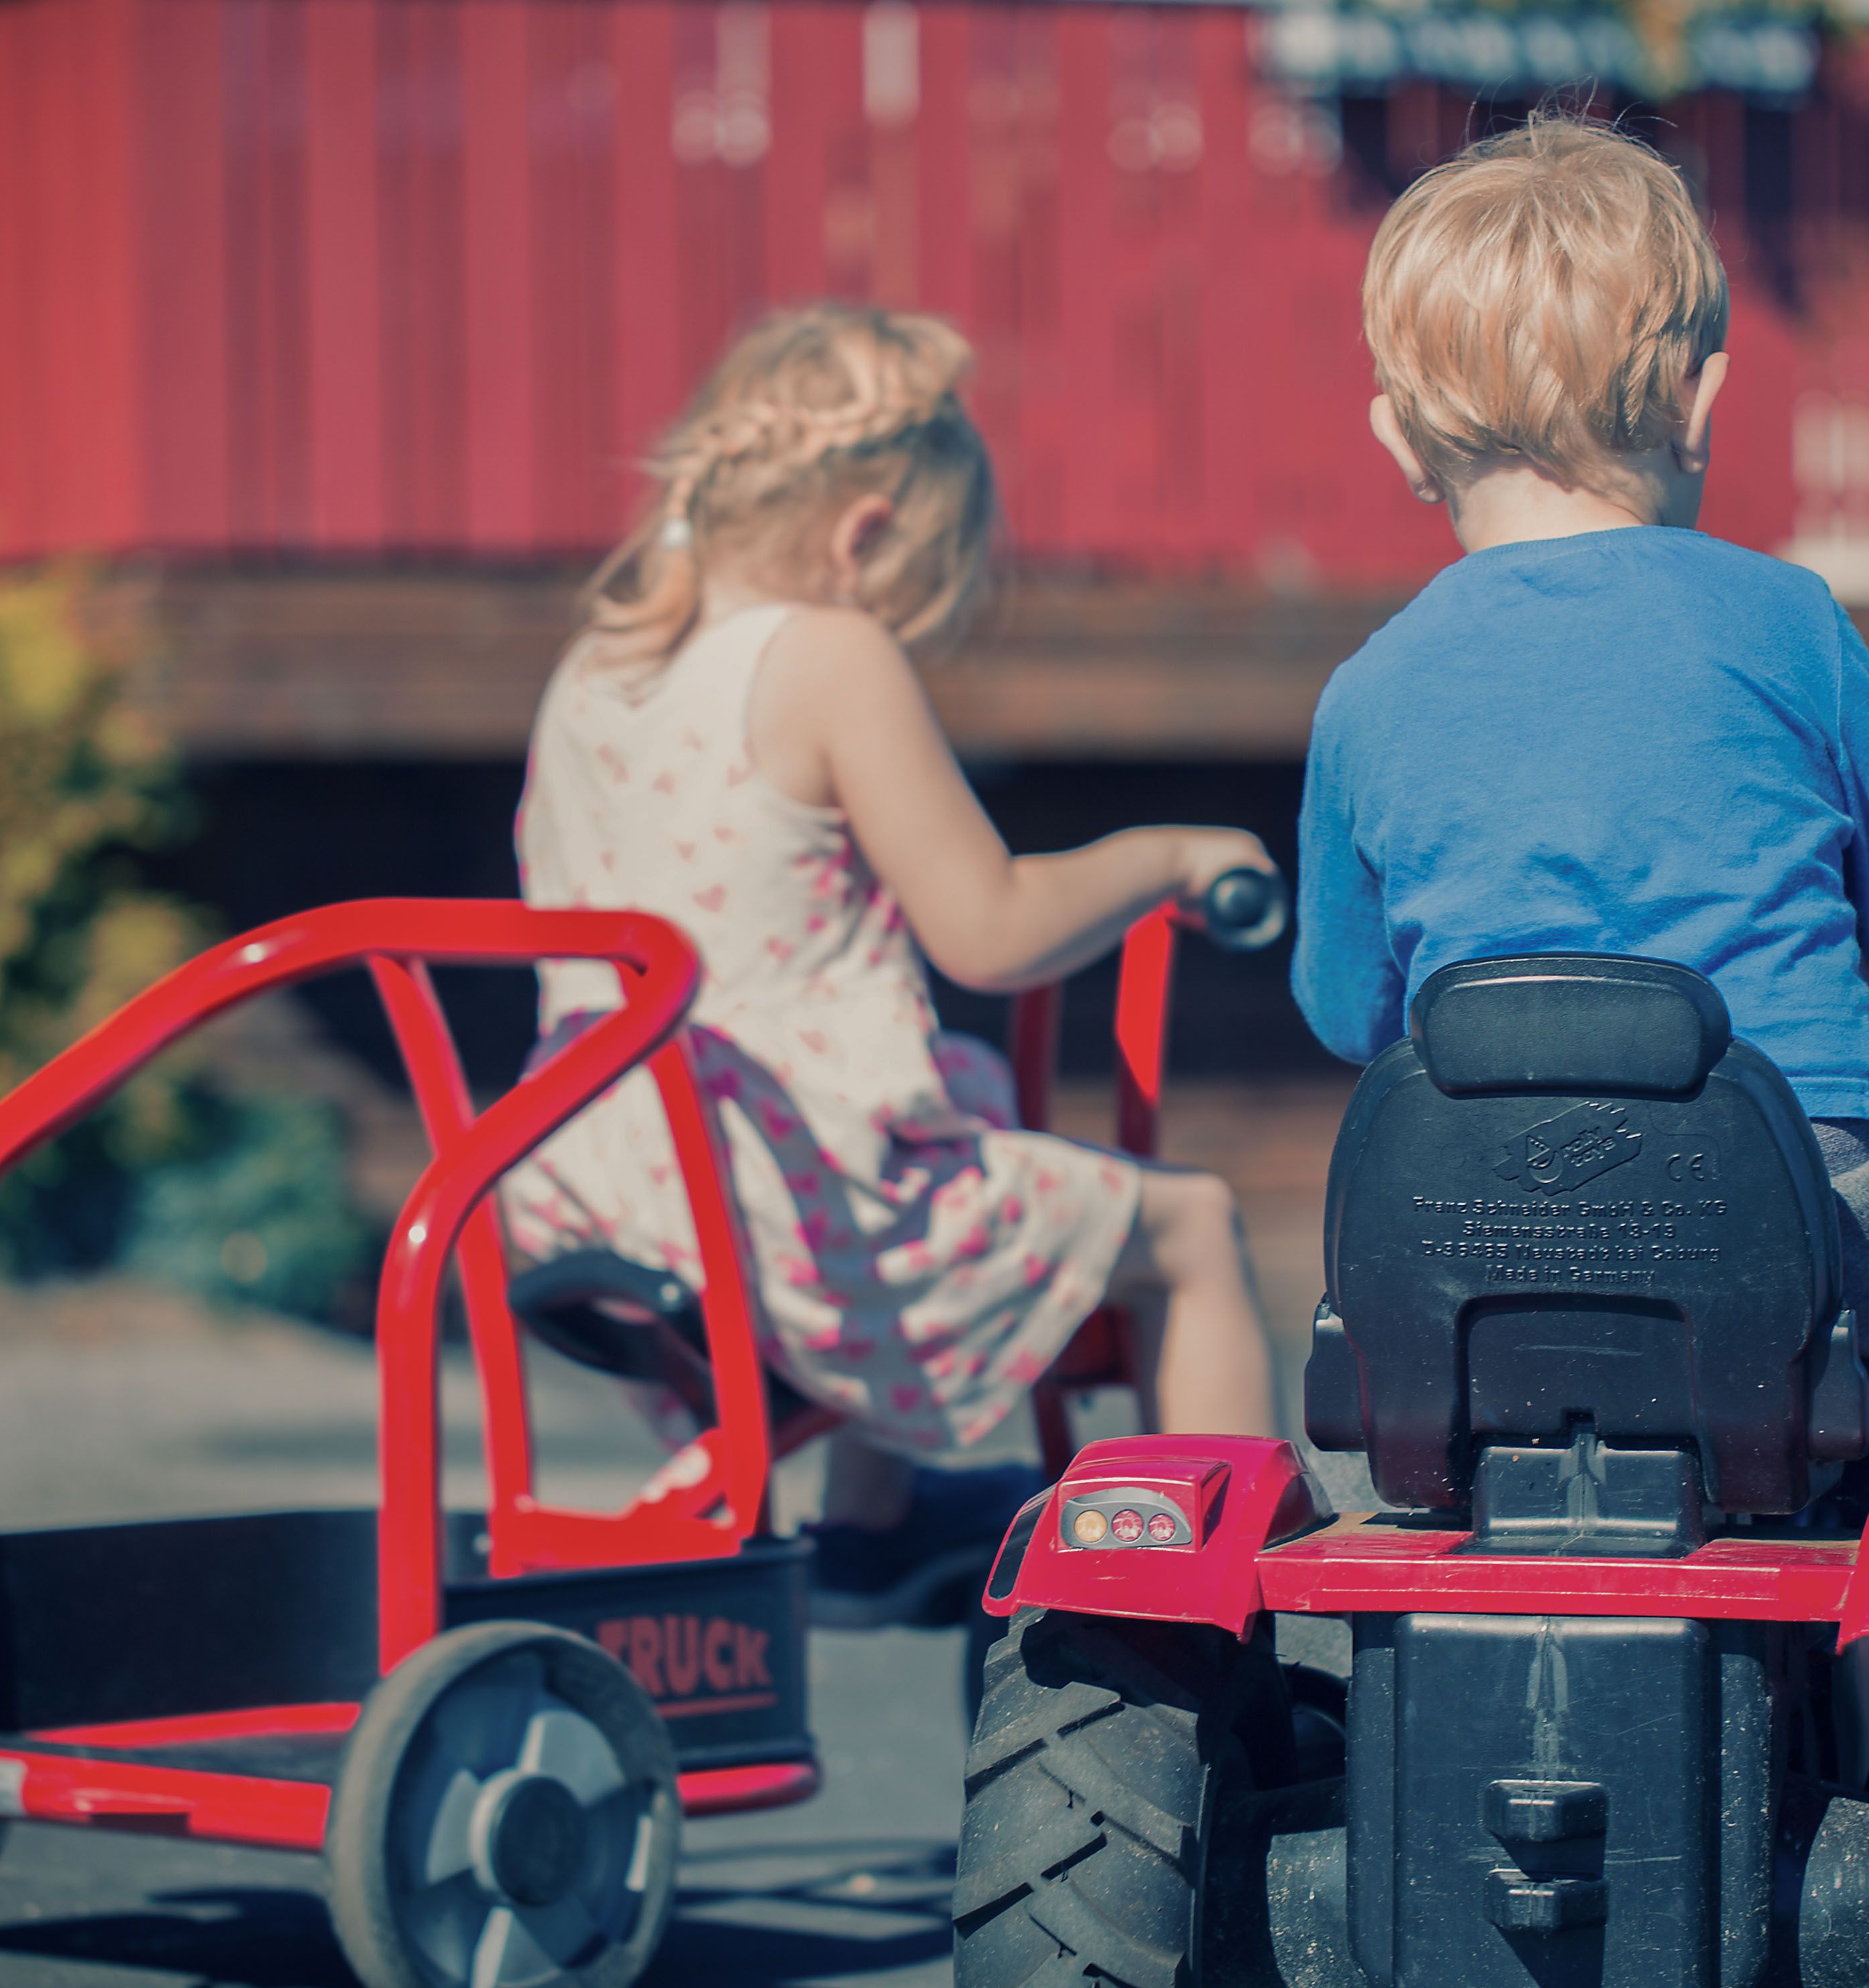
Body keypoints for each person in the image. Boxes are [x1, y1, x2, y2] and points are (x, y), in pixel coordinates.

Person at [1291, 116, 1869, 1479]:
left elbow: (1350, 1012)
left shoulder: (1370, 690)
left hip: (1474, 1206)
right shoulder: (1784, 621)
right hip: (1806, 1170)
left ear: (1396, 436)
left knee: (1393, 1457)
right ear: (1699, 398)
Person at [499, 302, 1282, 1622]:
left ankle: (873, 1521)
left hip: (594, 1187)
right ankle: (1220, 1628)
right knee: (1190, 1228)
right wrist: (1164, 858)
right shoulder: (825, 654)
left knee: (953, 1080)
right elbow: (990, 926)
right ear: (861, 537)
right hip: (775, 1215)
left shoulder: (600, 661)